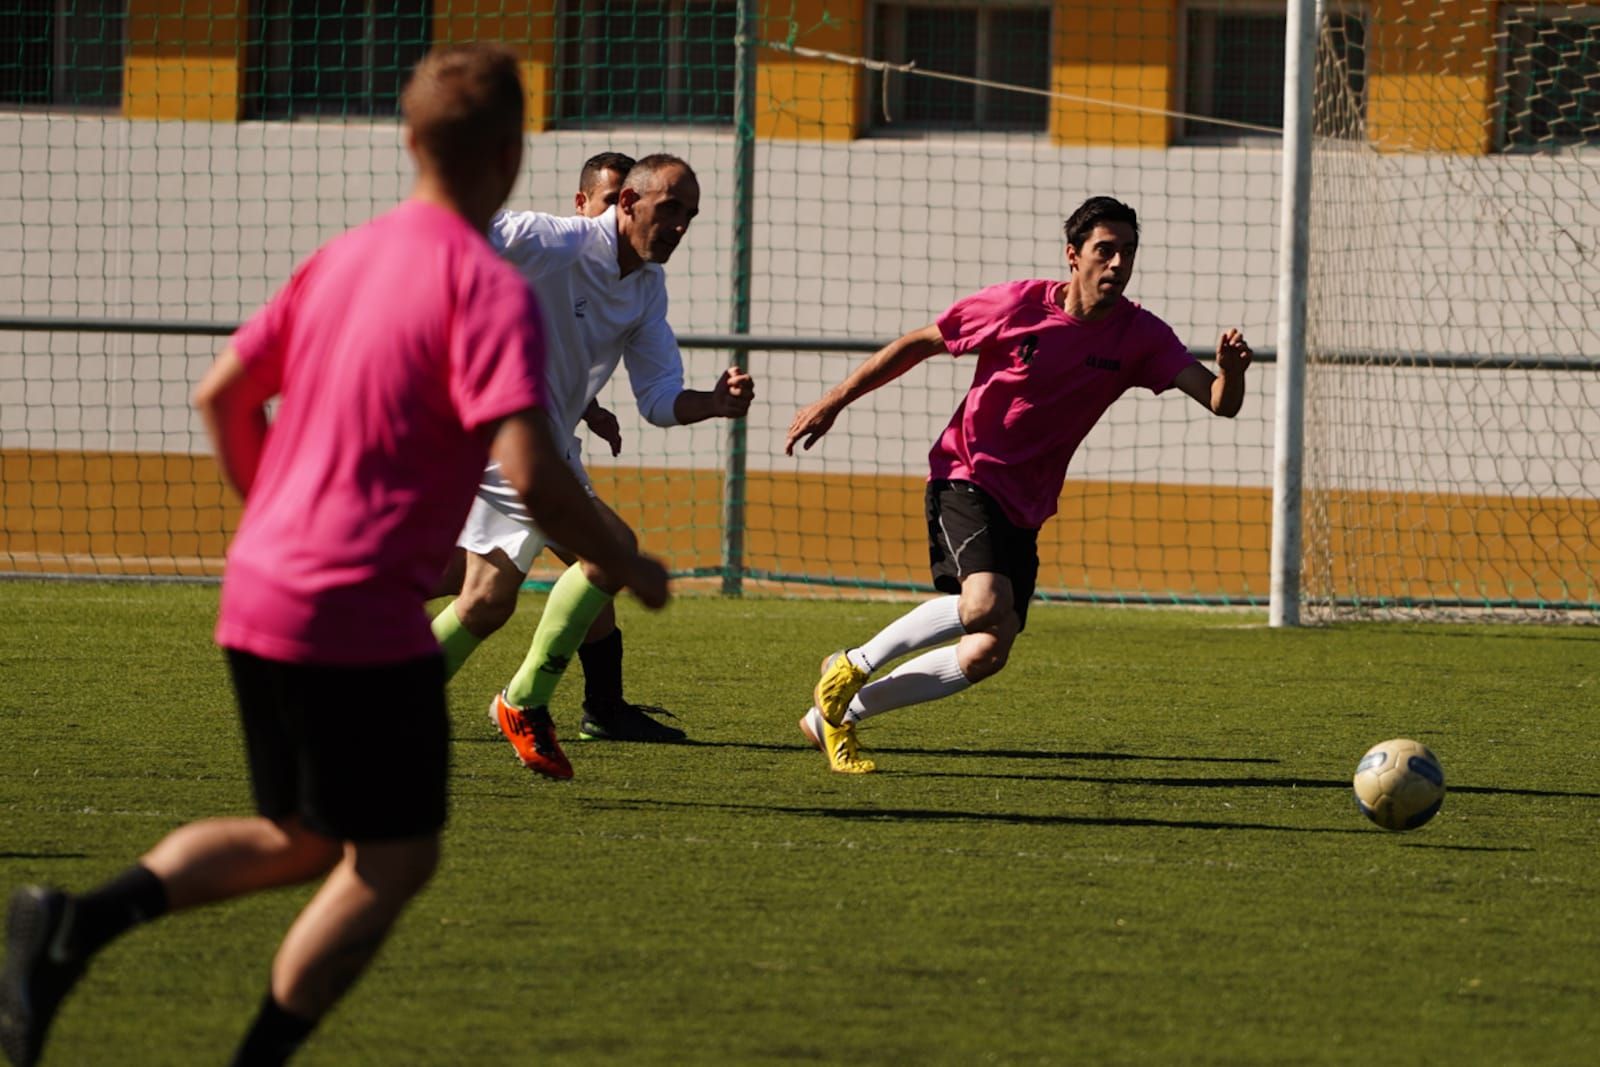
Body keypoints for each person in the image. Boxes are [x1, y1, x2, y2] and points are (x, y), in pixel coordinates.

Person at [0, 44, 668, 1067]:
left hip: (260, 586)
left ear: (408, 141)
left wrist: (277, 514)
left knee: (303, 836)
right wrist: (628, 558)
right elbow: (535, 478)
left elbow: (220, 395)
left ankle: (71, 926)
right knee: (391, 857)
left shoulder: (346, 253)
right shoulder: (486, 288)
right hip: (355, 608)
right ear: (509, 151)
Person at [784, 196, 1252, 774]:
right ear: (1073, 256)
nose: (1117, 264)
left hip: (1027, 505)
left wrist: (1232, 373)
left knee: (987, 650)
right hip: (966, 472)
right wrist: (834, 401)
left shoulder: (1141, 335)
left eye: (1128, 253)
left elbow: (1218, 402)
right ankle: (852, 663)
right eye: (1105, 250)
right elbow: (918, 345)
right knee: (983, 602)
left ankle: (838, 715)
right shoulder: (1016, 305)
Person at [428, 152, 755, 780]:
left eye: (689, 215)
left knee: (487, 598)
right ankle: (523, 702)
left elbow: (659, 398)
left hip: (547, 444)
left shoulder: (646, 289)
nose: (680, 226)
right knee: (611, 550)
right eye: (669, 209)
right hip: (494, 435)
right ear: (628, 203)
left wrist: (711, 404)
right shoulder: (555, 241)